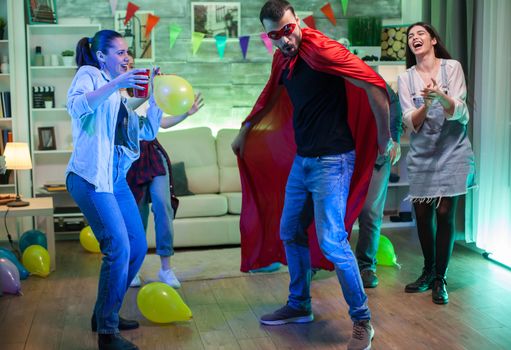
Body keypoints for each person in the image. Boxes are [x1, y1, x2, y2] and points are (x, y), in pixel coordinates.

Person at [231, 1, 392, 349]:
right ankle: (299, 304)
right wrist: (245, 129)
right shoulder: (283, 58)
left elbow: (374, 86)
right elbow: (269, 93)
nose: (284, 40)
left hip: (333, 160)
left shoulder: (323, 50)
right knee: (290, 231)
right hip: (304, 161)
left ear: (297, 21)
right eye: (275, 35)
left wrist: (384, 141)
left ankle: (362, 320)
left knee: (333, 241)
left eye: (287, 30)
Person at [66, 30, 162, 350]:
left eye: (127, 52)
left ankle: (104, 312)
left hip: (114, 180)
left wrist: (154, 93)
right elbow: (77, 106)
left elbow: (133, 120)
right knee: (118, 247)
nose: (127, 58)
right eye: (119, 53)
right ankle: (107, 332)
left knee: (135, 246)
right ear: (101, 56)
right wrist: (118, 84)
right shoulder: (90, 74)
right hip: (90, 179)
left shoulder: (117, 93)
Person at [397, 22, 475, 305]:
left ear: (432, 40)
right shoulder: (405, 78)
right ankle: (428, 270)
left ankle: (440, 277)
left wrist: (440, 96)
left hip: (453, 150)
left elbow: (460, 110)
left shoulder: (451, 67)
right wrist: (427, 104)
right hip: (423, 154)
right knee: (421, 214)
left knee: (444, 214)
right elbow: (410, 122)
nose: (414, 38)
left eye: (420, 34)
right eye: (410, 37)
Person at [124, 53, 204, 289]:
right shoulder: (115, 93)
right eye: (123, 61)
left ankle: (166, 269)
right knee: (136, 215)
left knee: (163, 206)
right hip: (129, 159)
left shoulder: (148, 90)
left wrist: (184, 114)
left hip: (153, 154)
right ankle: (134, 268)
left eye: (130, 62)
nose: (127, 65)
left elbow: (159, 123)